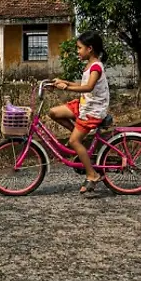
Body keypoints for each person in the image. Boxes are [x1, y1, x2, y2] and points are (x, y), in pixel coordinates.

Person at [47, 31, 110, 194]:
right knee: (53, 112)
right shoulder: (89, 65)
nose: (77, 51)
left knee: (74, 142)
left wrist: (66, 87)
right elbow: (83, 84)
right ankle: (79, 137)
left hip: (93, 109)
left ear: (90, 49)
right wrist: (62, 82)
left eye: (79, 48)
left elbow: (88, 87)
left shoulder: (96, 66)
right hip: (84, 104)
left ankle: (92, 174)